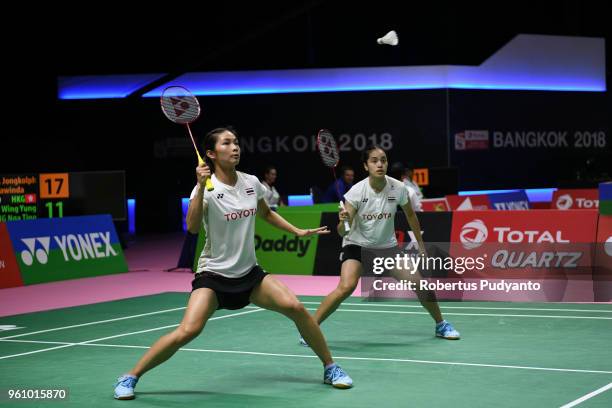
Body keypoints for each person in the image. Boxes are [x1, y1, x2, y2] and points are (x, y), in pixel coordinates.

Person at [114, 127, 353, 400]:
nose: (235, 147)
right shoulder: (204, 189)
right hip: (214, 277)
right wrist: (201, 186)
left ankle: (330, 367)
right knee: (187, 330)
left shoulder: (251, 181)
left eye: (236, 142)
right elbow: (192, 228)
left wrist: (296, 231)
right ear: (211, 154)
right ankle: (130, 376)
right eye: (227, 143)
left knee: (297, 307)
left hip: (250, 275)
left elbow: (266, 213)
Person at [299, 145, 460, 347]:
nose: (380, 164)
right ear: (366, 166)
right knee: (346, 287)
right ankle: (310, 328)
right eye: (374, 160)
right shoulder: (356, 192)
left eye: (383, 160)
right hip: (357, 246)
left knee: (420, 283)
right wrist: (344, 220)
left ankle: (441, 324)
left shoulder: (398, 188)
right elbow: (343, 232)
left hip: (387, 248)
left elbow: (411, 215)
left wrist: (420, 246)